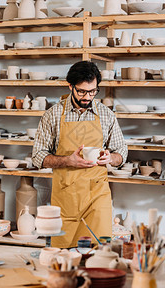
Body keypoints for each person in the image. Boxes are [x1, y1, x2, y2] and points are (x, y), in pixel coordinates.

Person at [32, 61, 128, 248]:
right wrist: (68, 160)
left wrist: (111, 158)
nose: (87, 96)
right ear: (70, 86)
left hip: (97, 195)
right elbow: (38, 156)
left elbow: (121, 152)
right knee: (65, 256)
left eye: (92, 91)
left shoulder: (106, 115)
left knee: (98, 252)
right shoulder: (53, 115)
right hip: (67, 196)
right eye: (82, 91)